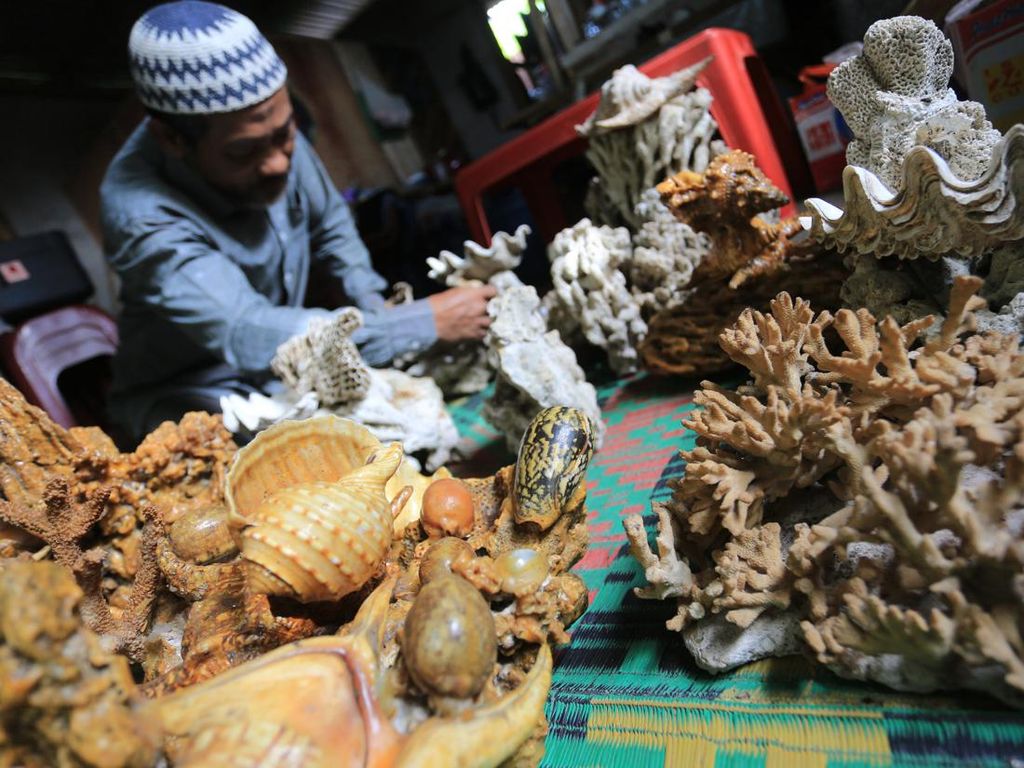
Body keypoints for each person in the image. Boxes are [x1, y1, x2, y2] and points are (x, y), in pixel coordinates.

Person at [101, 0, 494, 442]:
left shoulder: (266, 132)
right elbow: (245, 329)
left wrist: (372, 304)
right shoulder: (139, 213)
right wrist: (416, 324)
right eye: (244, 152)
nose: (277, 164)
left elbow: (331, 226)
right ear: (173, 140)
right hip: (193, 389)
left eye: (284, 135)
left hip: (277, 368)